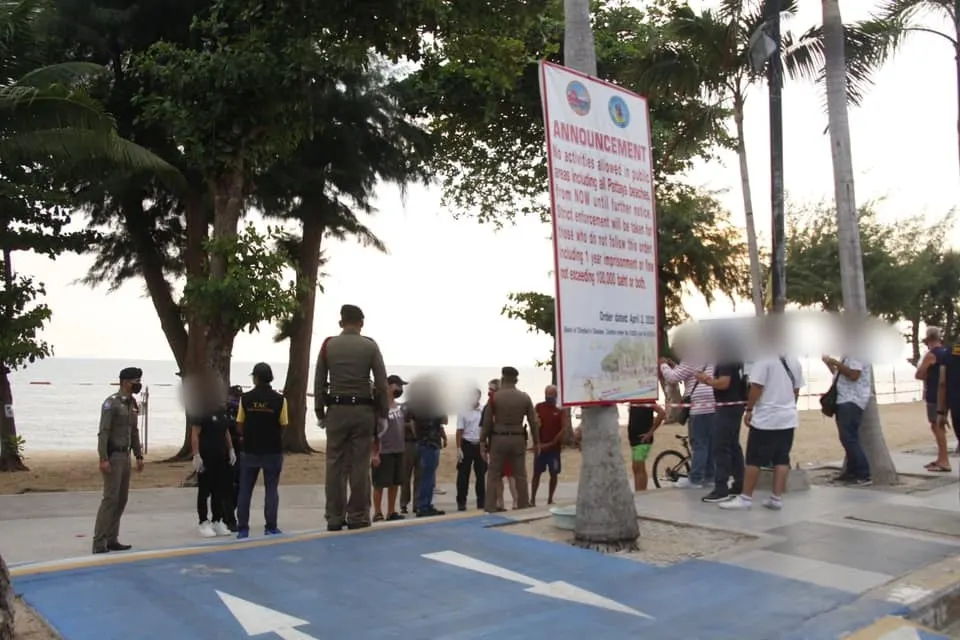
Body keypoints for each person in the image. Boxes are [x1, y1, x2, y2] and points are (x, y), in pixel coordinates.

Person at [314, 304, 388, 531]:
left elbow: (319, 382)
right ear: (361, 323)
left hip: (336, 410)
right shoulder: (370, 346)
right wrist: (383, 414)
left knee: (334, 465)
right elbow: (381, 383)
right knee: (360, 465)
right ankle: (358, 515)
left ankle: (334, 516)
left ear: (341, 322)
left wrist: (319, 412)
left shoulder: (328, 345)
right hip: (363, 412)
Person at [721, 349, 804, 511]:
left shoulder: (764, 358)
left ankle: (746, 497)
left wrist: (749, 409)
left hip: (767, 416)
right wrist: (789, 406)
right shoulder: (794, 360)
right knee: (782, 458)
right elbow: (796, 390)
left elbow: (757, 387)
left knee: (754, 459)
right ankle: (776, 497)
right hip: (787, 416)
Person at [92, 366, 145, 554]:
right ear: (125, 382)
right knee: (110, 499)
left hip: (126, 455)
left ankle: (112, 538)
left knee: (121, 499)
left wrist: (138, 455)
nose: (138, 385)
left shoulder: (132, 403)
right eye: (135, 382)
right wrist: (103, 458)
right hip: (113, 456)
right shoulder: (111, 403)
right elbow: (103, 432)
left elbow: (134, 431)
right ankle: (99, 542)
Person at [235, 362, 288, 539]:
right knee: (271, 489)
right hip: (272, 449)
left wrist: (247, 435)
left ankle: (243, 528)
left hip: (250, 449)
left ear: (256, 378)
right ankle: (271, 527)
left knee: (245, 489)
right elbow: (283, 425)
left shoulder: (245, 399)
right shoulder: (280, 400)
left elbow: (239, 424)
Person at [482, 366, 539, 512]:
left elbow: (487, 423)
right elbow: (533, 422)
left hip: (498, 438)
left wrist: (482, 442)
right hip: (517, 438)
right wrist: (537, 442)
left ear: (502, 379)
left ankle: (490, 507)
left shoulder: (495, 397)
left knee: (493, 475)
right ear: (516, 380)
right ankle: (523, 506)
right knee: (520, 475)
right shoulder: (524, 397)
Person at [659, 349, 716, 489]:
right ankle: (709, 477)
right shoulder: (712, 356)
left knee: (699, 444)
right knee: (709, 444)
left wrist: (663, 365)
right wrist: (676, 367)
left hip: (698, 408)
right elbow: (685, 373)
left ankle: (695, 479)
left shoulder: (691, 356)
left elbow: (672, 377)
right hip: (713, 406)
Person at [190, 371, 237, 537]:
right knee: (204, 490)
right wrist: (196, 455)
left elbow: (226, 431)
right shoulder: (200, 410)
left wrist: (231, 449)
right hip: (206, 455)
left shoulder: (221, 409)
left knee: (220, 489)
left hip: (221, 455)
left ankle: (217, 520)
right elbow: (195, 434)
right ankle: (203, 521)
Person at [698, 360, 749, 502]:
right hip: (735, 406)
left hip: (727, 408)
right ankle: (739, 483)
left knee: (720, 446)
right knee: (733, 446)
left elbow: (724, 383)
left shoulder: (725, 361)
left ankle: (721, 488)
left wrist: (706, 380)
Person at [823, 352, 872, 486]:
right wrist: (830, 365)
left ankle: (863, 473)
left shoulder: (856, 353)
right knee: (848, 437)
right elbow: (840, 376)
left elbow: (854, 375)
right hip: (845, 398)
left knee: (849, 438)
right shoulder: (848, 354)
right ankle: (852, 471)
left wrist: (836, 363)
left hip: (851, 400)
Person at [407, 379, 448, 517]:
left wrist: (418, 437)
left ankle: (424, 504)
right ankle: (424, 506)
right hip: (431, 442)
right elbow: (445, 420)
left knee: (426, 475)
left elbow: (412, 422)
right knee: (428, 477)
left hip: (423, 442)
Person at [373, 375, 408, 522]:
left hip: (398, 450)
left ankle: (391, 511)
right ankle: (377, 512)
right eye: (398, 386)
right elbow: (374, 432)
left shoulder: (399, 407)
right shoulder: (380, 408)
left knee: (395, 483)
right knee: (380, 484)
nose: (400, 389)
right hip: (383, 451)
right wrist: (374, 453)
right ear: (389, 386)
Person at [916, 327, 951, 470]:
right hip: (947, 394)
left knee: (937, 426)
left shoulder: (931, 355)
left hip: (934, 395)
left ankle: (944, 460)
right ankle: (941, 458)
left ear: (928, 340)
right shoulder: (946, 353)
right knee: (939, 425)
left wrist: (927, 374)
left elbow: (919, 374)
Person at [531, 385, 569, 506]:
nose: (549, 397)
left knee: (554, 473)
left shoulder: (560, 410)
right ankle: (532, 499)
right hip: (541, 447)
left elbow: (564, 428)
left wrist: (553, 442)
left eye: (551, 394)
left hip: (554, 449)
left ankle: (550, 499)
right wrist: (537, 443)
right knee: (536, 473)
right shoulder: (538, 407)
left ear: (556, 396)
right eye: (547, 394)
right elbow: (534, 424)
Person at [456, 387, 486, 511]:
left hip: (480, 445)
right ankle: (461, 501)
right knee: (463, 475)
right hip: (467, 444)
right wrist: (458, 448)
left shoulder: (484, 410)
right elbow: (459, 430)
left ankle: (482, 502)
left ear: (479, 397)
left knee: (481, 475)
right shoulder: (463, 410)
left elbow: (486, 428)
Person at [627, 401, 666, 491]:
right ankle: (640, 491)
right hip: (634, 439)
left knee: (638, 467)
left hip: (642, 439)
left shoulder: (647, 400)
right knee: (637, 468)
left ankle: (640, 493)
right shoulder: (633, 400)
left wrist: (650, 432)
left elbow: (661, 413)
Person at [223, 384, 244, 531]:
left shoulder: (227, 410)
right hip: (232, 451)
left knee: (233, 486)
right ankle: (229, 518)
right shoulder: (230, 410)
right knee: (233, 485)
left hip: (234, 451)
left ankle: (228, 516)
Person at [399, 407, 419, 515]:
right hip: (408, 443)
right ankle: (404, 503)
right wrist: (410, 426)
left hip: (421, 443)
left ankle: (417, 504)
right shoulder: (405, 407)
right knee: (405, 476)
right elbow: (399, 423)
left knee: (419, 476)